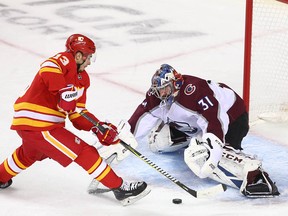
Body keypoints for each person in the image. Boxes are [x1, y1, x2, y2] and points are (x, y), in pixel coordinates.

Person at [0, 34, 150, 206]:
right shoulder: (64, 60)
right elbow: (48, 67)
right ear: (78, 55)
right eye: (88, 57)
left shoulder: (82, 79)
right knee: (84, 152)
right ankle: (120, 188)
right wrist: (62, 89)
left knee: (29, 154)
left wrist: (98, 127)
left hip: (38, 125)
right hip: (39, 123)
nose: (89, 62)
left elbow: (77, 113)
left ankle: (1, 176)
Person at [126, 64, 280, 197]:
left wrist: (214, 143)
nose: (162, 95)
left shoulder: (195, 91)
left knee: (202, 157)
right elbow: (142, 116)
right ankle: (196, 140)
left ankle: (254, 175)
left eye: (165, 89)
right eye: (159, 90)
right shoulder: (157, 96)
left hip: (232, 119)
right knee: (158, 141)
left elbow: (215, 118)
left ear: (175, 84)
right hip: (197, 125)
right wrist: (125, 135)